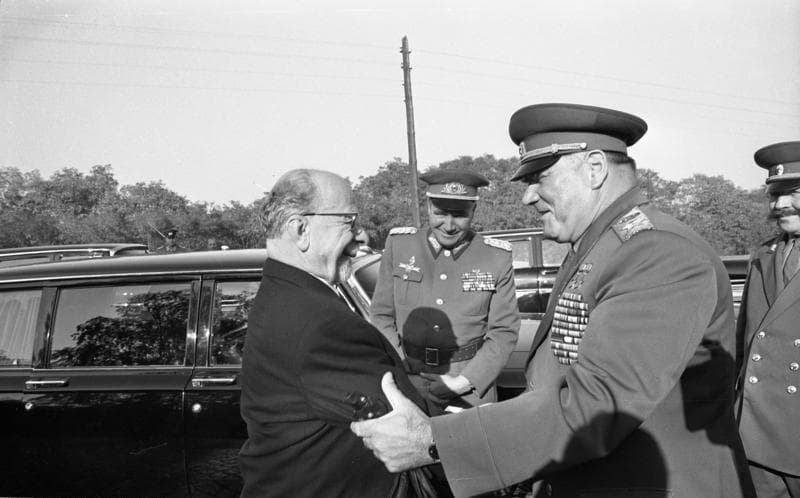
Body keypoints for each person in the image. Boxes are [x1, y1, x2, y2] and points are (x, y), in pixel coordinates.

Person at [352, 103, 755, 497]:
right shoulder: (601, 243)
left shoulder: (656, 253)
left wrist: (433, 439)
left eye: (539, 177)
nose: (528, 197)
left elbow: (600, 403)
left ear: (595, 169)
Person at [239, 169, 439, 497]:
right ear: (300, 229)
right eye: (348, 221)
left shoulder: (286, 293)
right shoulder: (320, 322)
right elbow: (404, 422)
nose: (360, 236)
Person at [369, 169, 520, 409]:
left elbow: (503, 332)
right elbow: (381, 316)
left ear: (474, 211)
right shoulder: (400, 245)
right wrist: (406, 371)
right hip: (408, 380)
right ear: (428, 207)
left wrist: (461, 383)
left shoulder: (495, 257)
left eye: (459, 215)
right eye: (440, 213)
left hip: (469, 389)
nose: (448, 225)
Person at [736, 141, 800, 498]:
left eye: (793, 193)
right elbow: (744, 338)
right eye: (774, 194)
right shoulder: (764, 254)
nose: (779, 205)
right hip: (756, 434)